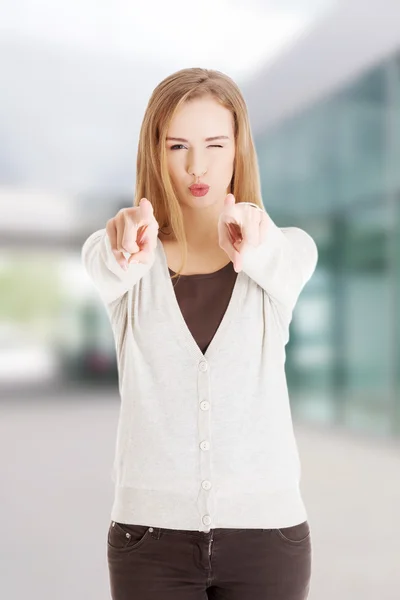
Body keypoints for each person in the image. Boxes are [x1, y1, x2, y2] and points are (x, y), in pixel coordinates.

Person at [81, 67, 318, 600]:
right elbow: (104, 259)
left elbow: (284, 257)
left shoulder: (281, 256)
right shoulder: (126, 260)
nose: (196, 165)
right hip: (148, 540)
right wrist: (125, 245)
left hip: (269, 538)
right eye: (177, 146)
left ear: (239, 149)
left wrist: (253, 233)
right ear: (154, 152)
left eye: (215, 143)